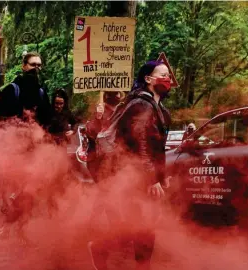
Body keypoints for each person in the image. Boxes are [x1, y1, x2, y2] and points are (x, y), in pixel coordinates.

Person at [88, 60, 172, 270]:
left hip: (140, 176)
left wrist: (162, 176)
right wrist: (152, 179)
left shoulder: (160, 109)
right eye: (162, 74)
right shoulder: (141, 105)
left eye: (169, 75)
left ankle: (137, 263)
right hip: (129, 176)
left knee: (142, 226)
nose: (168, 79)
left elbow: (157, 148)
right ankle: (101, 249)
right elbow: (140, 142)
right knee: (135, 226)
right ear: (148, 79)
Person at [0, 52, 52, 126]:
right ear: (24, 66)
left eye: (39, 65)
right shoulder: (11, 90)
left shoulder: (42, 92)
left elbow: (47, 121)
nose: (36, 68)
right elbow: (1, 120)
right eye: (33, 64)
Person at [85, 91, 124, 181]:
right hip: (100, 160)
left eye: (116, 93)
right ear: (106, 95)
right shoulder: (98, 110)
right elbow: (90, 132)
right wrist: (98, 117)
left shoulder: (124, 110)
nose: (114, 96)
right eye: (111, 93)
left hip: (119, 159)